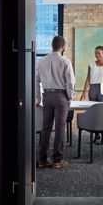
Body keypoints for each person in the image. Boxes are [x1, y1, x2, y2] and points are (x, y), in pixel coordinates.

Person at [35, 35, 75, 169]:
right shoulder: (65, 62)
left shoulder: (41, 61)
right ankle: (57, 160)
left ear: (52, 46)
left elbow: (36, 81)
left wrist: (38, 98)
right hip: (61, 96)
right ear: (63, 47)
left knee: (45, 128)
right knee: (59, 128)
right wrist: (69, 97)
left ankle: (42, 159)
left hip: (46, 96)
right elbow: (70, 82)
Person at [81, 45, 103, 144]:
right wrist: (84, 92)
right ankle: (96, 136)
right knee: (94, 113)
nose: (97, 55)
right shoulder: (91, 64)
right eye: (95, 53)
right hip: (92, 89)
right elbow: (88, 78)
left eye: (99, 53)